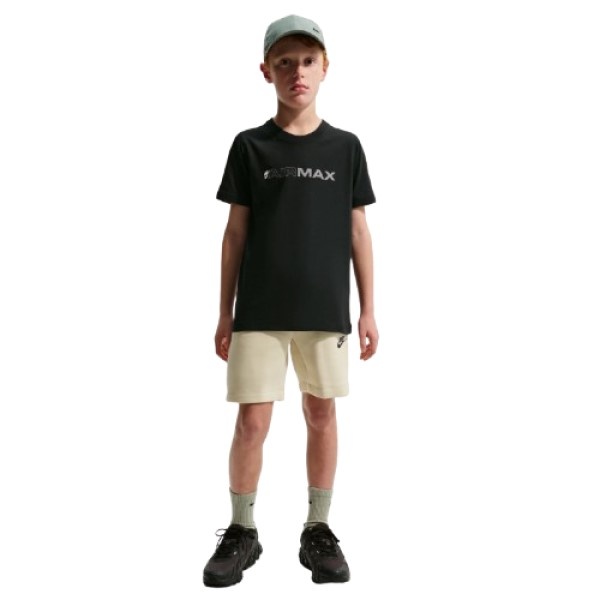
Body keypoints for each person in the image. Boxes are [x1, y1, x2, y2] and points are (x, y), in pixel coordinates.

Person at [203, 14, 379, 587]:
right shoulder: (250, 146)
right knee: (251, 422)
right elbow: (235, 234)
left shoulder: (346, 148)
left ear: (325, 68)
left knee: (321, 413)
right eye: (284, 63)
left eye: (306, 61)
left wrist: (368, 308)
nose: (296, 72)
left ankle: (318, 528)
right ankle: (242, 530)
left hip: (325, 310)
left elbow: (358, 231)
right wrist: (225, 311)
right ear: (266, 72)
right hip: (259, 311)